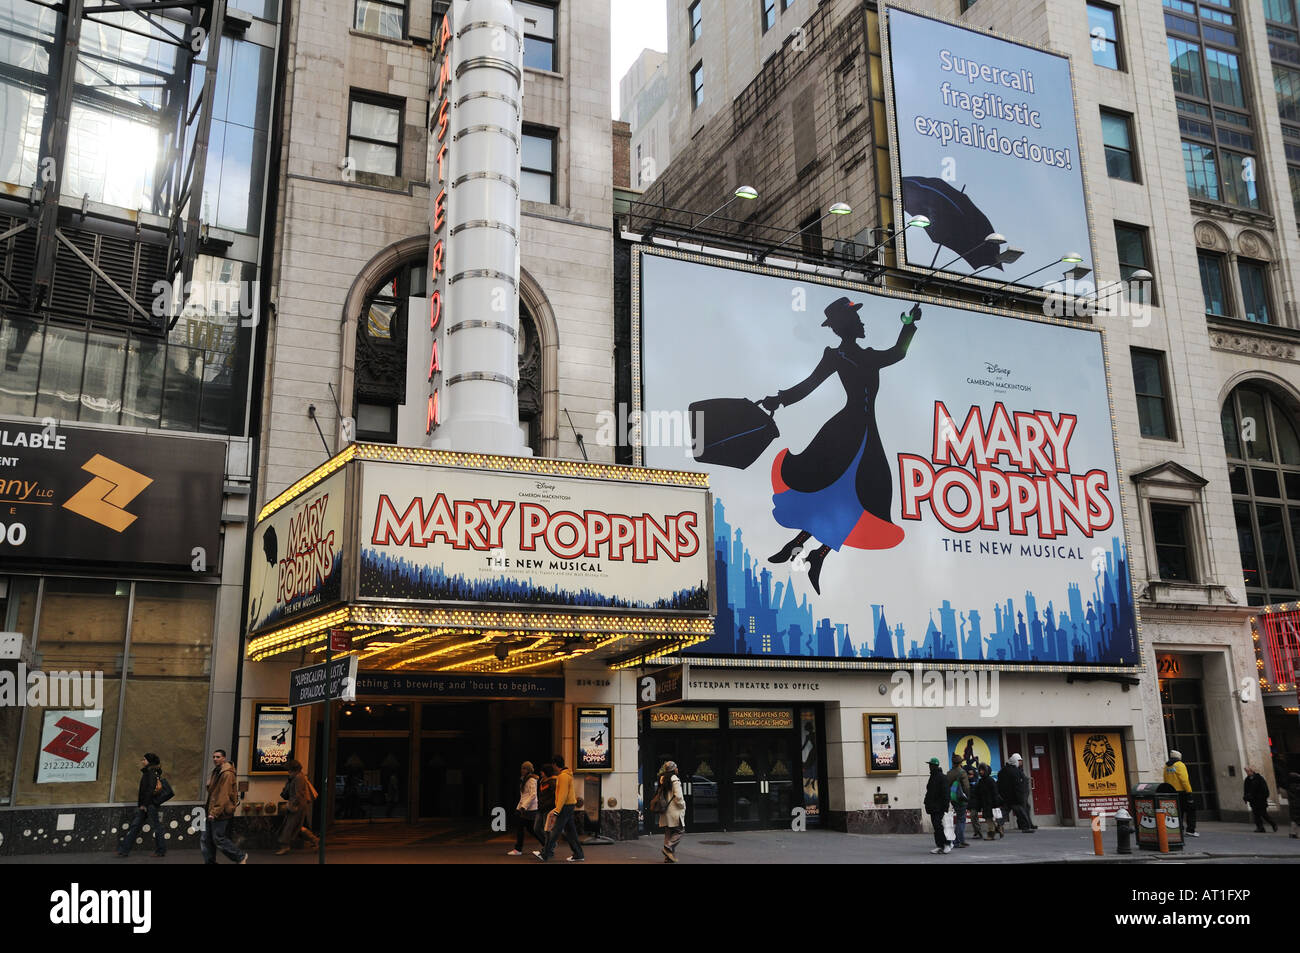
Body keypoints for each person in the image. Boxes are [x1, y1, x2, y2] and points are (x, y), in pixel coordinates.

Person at [763, 299, 922, 594]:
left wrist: (908, 325)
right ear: (846, 324)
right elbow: (809, 384)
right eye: (856, 319)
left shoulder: (870, 356)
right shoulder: (836, 355)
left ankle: (811, 552)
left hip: (864, 433)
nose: (862, 324)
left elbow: (898, 353)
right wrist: (780, 398)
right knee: (832, 491)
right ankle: (800, 546)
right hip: (845, 431)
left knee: (854, 497)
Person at [202, 749, 247, 864]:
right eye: (214, 757)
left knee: (218, 839)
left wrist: (214, 812)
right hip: (211, 809)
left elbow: (223, 795)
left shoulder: (227, 773)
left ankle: (240, 856)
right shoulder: (217, 771)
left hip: (220, 811)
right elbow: (214, 792)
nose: (215, 759)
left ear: (224, 758)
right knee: (206, 839)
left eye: (218, 757)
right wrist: (209, 785)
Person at [536, 754, 584, 862]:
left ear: (554, 764)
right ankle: (578, 854)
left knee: (555, 831)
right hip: (569, 805)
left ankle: (545, 853)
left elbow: (562, 794)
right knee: (570, 831)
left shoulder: (562, 776)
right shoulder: (567, 774)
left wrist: (557, 809)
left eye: (552, 765)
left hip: (565, 806)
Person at [116, 753, 166, 857]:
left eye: (144, 759)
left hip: (150, 805)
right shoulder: (149, 772)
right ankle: (124, 849)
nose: (142, 761)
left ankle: (160, 850)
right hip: (147, 804)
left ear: (149, 761)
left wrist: (144, 804)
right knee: (136, 826)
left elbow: (150, 789)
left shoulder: (151, 772)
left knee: (156, 827)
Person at [274, 760, 318, 855]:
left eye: (289, 769)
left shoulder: (299, 778)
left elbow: (298, 794)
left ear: (293, 769)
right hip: (297, 805)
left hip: (297, 806)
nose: (288, 771)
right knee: (297, 827)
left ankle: (285, 846)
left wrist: (292, 804)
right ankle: (315, 840)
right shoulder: (295, 777)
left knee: (289, 826)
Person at [508, 761, 542, 856]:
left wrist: (523, 807)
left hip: (530, 809)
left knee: (525, 828)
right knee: (531, 829)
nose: (522, 770)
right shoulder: (524, 779)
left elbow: (533, 794)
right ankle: (547, 844)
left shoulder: (531, 780)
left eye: (524, 768)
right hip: (525, 808)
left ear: (528, 770)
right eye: (522, 768)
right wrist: (518, 808)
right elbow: (523, 796)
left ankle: (518, 849)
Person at [656, 760, 686, 863]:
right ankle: (668, 847)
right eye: (676, 767)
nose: (677, 769)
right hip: (674, 811)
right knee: (680, 831)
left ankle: (668, 858)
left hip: (666, 811)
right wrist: (682, 805)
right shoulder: (674, 779)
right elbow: (678, 796)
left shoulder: (663, 779)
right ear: (673, 769)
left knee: (668, 833)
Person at [998, 754, 1036, 832]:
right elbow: (1018, 786)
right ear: (1015, 761)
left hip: (1006, 797)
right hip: (1015, 797)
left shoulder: (1003, 771)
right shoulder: (1016, 772)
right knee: (1022, 812)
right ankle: (1025, 827)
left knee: (1004, 812)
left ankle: (998, 826)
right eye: (1019, 761)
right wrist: (1021, 797)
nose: (1021, 762)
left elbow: (999, 784)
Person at [1163, 749, 1197, 836]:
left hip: (1171, 792)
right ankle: (1190, 830)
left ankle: (1178, 829)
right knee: (1191, 810)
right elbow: (1184, 780)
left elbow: (1165, 779)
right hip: (1182, 792)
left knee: (1177, 812)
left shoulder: (1167, 766)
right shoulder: (1180, 765)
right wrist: (1189, 792)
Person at [924, 757, 952, 855]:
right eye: (929, 765)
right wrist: (926, 803)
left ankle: (947, 844)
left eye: (931, 765)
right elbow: (929, 792)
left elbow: (946, 793)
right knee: (936, 827)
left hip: (939, 807)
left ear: (934, 766)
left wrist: (945, 807)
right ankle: (940, 845)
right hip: (933, 807)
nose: (929, 767)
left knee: (940, 826)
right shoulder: (932, 777)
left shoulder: (942, 777)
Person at [971, 762, 1004, 840]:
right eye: (980, 770)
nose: (981, 772)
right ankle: (999, 828)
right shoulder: (981, 781)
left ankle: (991, 834)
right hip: (985, 803)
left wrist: (996, 804)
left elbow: (995, 792)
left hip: (990, 803)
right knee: (988, 819)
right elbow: (978, 794)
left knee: (989, 820)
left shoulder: (990, 780)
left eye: (982, 770)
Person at [945, 756, 971, 848]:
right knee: (961, 819)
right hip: (961, 798)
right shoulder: (962, 772)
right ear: (960, 763)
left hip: (953, 798)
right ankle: (957, 841)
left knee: (960, 818)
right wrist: (968, 797)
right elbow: (966, 787)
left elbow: (947, 786)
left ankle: (961, 840)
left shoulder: (949, 773)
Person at [1242, 766, 1276, 833]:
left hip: (1261, 800)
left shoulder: (1259, 778)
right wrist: (1245, 798)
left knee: (1264, 814)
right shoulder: (1247, 780)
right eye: (1246, 771)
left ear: (1252, 771)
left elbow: (1265, 789)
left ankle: (1273, 824)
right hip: (1253, 800)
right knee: (1256, 815)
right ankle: (1260, 828)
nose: (1247, 772)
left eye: (1248, 771)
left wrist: (1263, 797)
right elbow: (1246, 790)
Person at [533, 763, 557, 847]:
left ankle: (548, 847)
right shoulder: (542, 782)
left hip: (548, 809)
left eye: (542, 771)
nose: (540, 773)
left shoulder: (552, 782)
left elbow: (554, 796)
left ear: (546, 772)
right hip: (540, 808)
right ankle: (549, 845)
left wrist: (548, 805)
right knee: (536, 829)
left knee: (547, 830)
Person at [1286, 771, 1300, 839]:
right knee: (1296, 819)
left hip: (1292, 804)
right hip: (1297, 804)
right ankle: (1294, 833)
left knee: (1293, 819)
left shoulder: (1290, 786)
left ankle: (1292, 832)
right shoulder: (1297, 787)